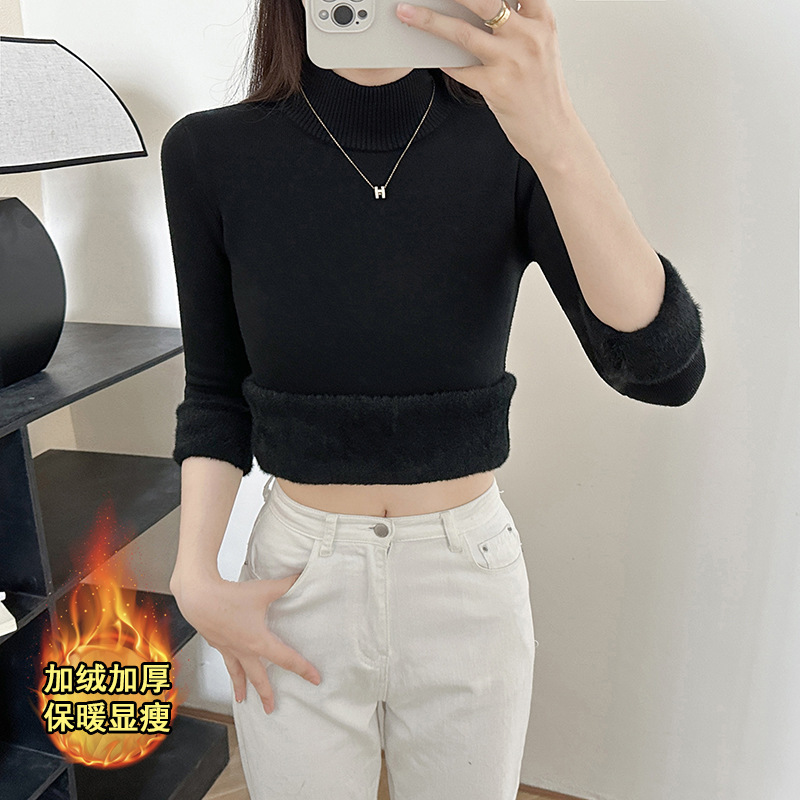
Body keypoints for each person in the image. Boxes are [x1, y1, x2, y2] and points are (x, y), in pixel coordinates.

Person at [161, 0, 705, 797]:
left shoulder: (512, 141)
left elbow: (663, 371)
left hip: (467, 579)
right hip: (294, 584)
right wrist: (194, 573)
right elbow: (214, 389)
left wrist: (555, 132)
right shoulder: (209, 153)